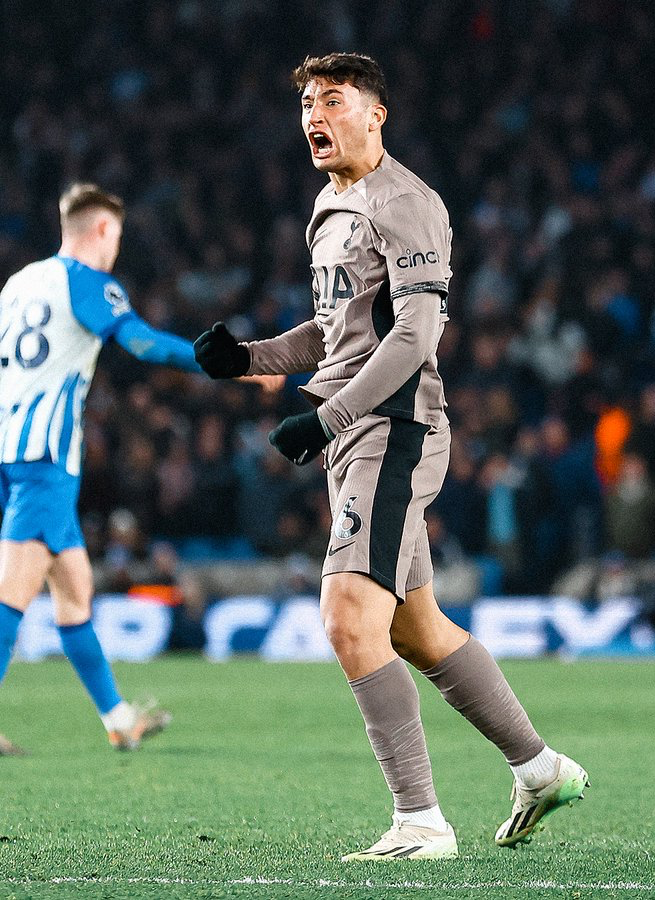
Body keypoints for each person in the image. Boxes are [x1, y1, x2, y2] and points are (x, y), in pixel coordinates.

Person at [194, 53, 588, 860]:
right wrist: (250, 360)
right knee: (414, 627)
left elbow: (415, 335)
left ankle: (420, 821)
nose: (314, 114)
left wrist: (327, 416)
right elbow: (334, 332)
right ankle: (540, 766)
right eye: (307, 101)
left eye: (332, 100)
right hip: (355, 431)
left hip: (394, 428)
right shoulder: (330, 201)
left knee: (345, 616)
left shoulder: (406, 203)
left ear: (377, 113)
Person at [0, 182, 201, 753]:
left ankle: (117, 719)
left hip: (10, 447)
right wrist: (228, 362)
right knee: (10, 598)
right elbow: (142, 346)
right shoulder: (88, 283)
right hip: (43, 460)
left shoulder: (20, 283)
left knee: (74, 595)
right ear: (104, 230)